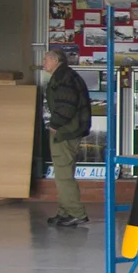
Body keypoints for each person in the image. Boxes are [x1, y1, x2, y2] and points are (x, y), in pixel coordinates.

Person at [42, 49, 92, 227]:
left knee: (63, 175)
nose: (43, 63)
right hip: (70, 131)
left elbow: (66, 105)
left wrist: (54, 125)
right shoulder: (67, 75)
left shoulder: (62, 78)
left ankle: (75, 212)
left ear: (56, 60)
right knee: (64, 172)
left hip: (65, 132)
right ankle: (64, 212)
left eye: (46, 59)